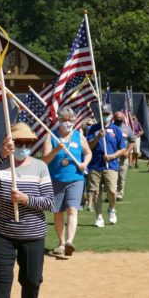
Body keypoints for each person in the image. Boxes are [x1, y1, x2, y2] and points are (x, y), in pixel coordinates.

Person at [0, 122, 54, 298]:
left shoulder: (40, 167)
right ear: (9, 142)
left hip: (32, 234)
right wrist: (1, 155)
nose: (24, 147)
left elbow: (49, 202)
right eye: (19, 143)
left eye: (28, 143)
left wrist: (26, 200)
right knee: (2, 282)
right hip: (1, 232)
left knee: (32, 281)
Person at [42, 106, 92, 256]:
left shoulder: (78, 136)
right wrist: (56, 149)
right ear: (59, 119)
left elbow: (88, 153)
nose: (67, 122)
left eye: (70, 120)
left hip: (75, 178)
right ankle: (61, 243)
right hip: (56, 179)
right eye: (64, 120)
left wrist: (84, 164)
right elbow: (44, 160)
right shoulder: (50, 136)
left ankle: (70, 241)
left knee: (72, 209)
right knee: (58, 212)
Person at [87, 104, 126, 227]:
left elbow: (122, 148)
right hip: (95, 165)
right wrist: (98, 136)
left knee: (112, 191)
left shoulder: (116, 129)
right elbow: (88, 146)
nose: (105, 116)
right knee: (96, 192)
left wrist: (113, 156)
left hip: (111, 165)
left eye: (107, 114)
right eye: (103, 114)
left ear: (111, 114)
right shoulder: (94, 128)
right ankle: (99, 217)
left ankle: (111, 209)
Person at [113, 111, 135, 202]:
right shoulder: (110, 128)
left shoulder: (127, 129)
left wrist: (128, 151)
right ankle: (112, 193)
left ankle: (120, 193)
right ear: (114, 118)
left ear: (123, 119)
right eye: (117, 119)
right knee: (112, 176)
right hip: (112, 156)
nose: (118, 120)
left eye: (120, 119)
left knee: (121, 176)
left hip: (123, 156)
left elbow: (132, 141)